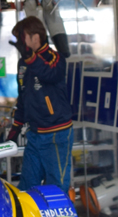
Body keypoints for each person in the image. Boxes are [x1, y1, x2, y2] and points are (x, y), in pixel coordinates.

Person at [7, 16, 74, 193]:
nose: (19, 43)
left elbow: (50, 74)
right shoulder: (23, 63)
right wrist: (15, 128)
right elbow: (24, 96)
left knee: (56, 187)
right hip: (34, 134)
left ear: (35, 37)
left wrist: (30, 57)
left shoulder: (56, 58)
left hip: (56, 134)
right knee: (27, 187)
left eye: (22, 38)